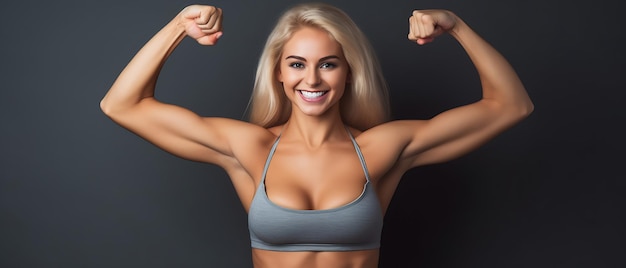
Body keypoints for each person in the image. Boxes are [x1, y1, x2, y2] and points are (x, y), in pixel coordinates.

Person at [100, 2, 533, 267]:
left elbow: (510, 106)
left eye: (328, 63)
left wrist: (455, 25)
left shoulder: (381, 150)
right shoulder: (250, 149)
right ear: (280, 74)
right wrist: (179, 25)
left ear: (348, 74)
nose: (313, 78)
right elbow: (122, 105)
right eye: (297, 63)